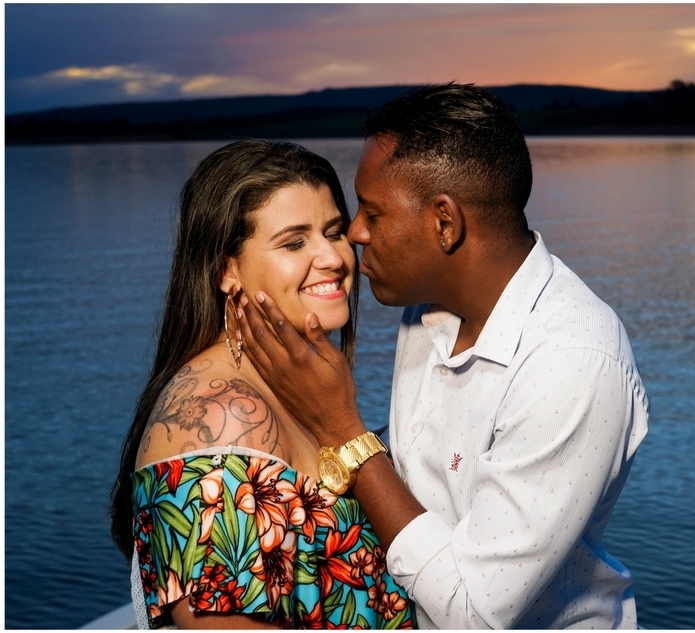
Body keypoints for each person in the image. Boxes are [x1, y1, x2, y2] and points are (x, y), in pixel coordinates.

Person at [237, 83, 650, 629]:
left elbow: (475, 614)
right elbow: (417, 474)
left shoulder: (571, 363)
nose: (353, 233)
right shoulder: (427, 310)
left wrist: (341, 426)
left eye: (373, 213)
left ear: (444, 224)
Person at [109, 140, 415, 629]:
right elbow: (213, 623)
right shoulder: (217, 411)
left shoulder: (295, 383)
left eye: (333, 232)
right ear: (227, 270)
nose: (334, 258)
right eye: (294, 242)